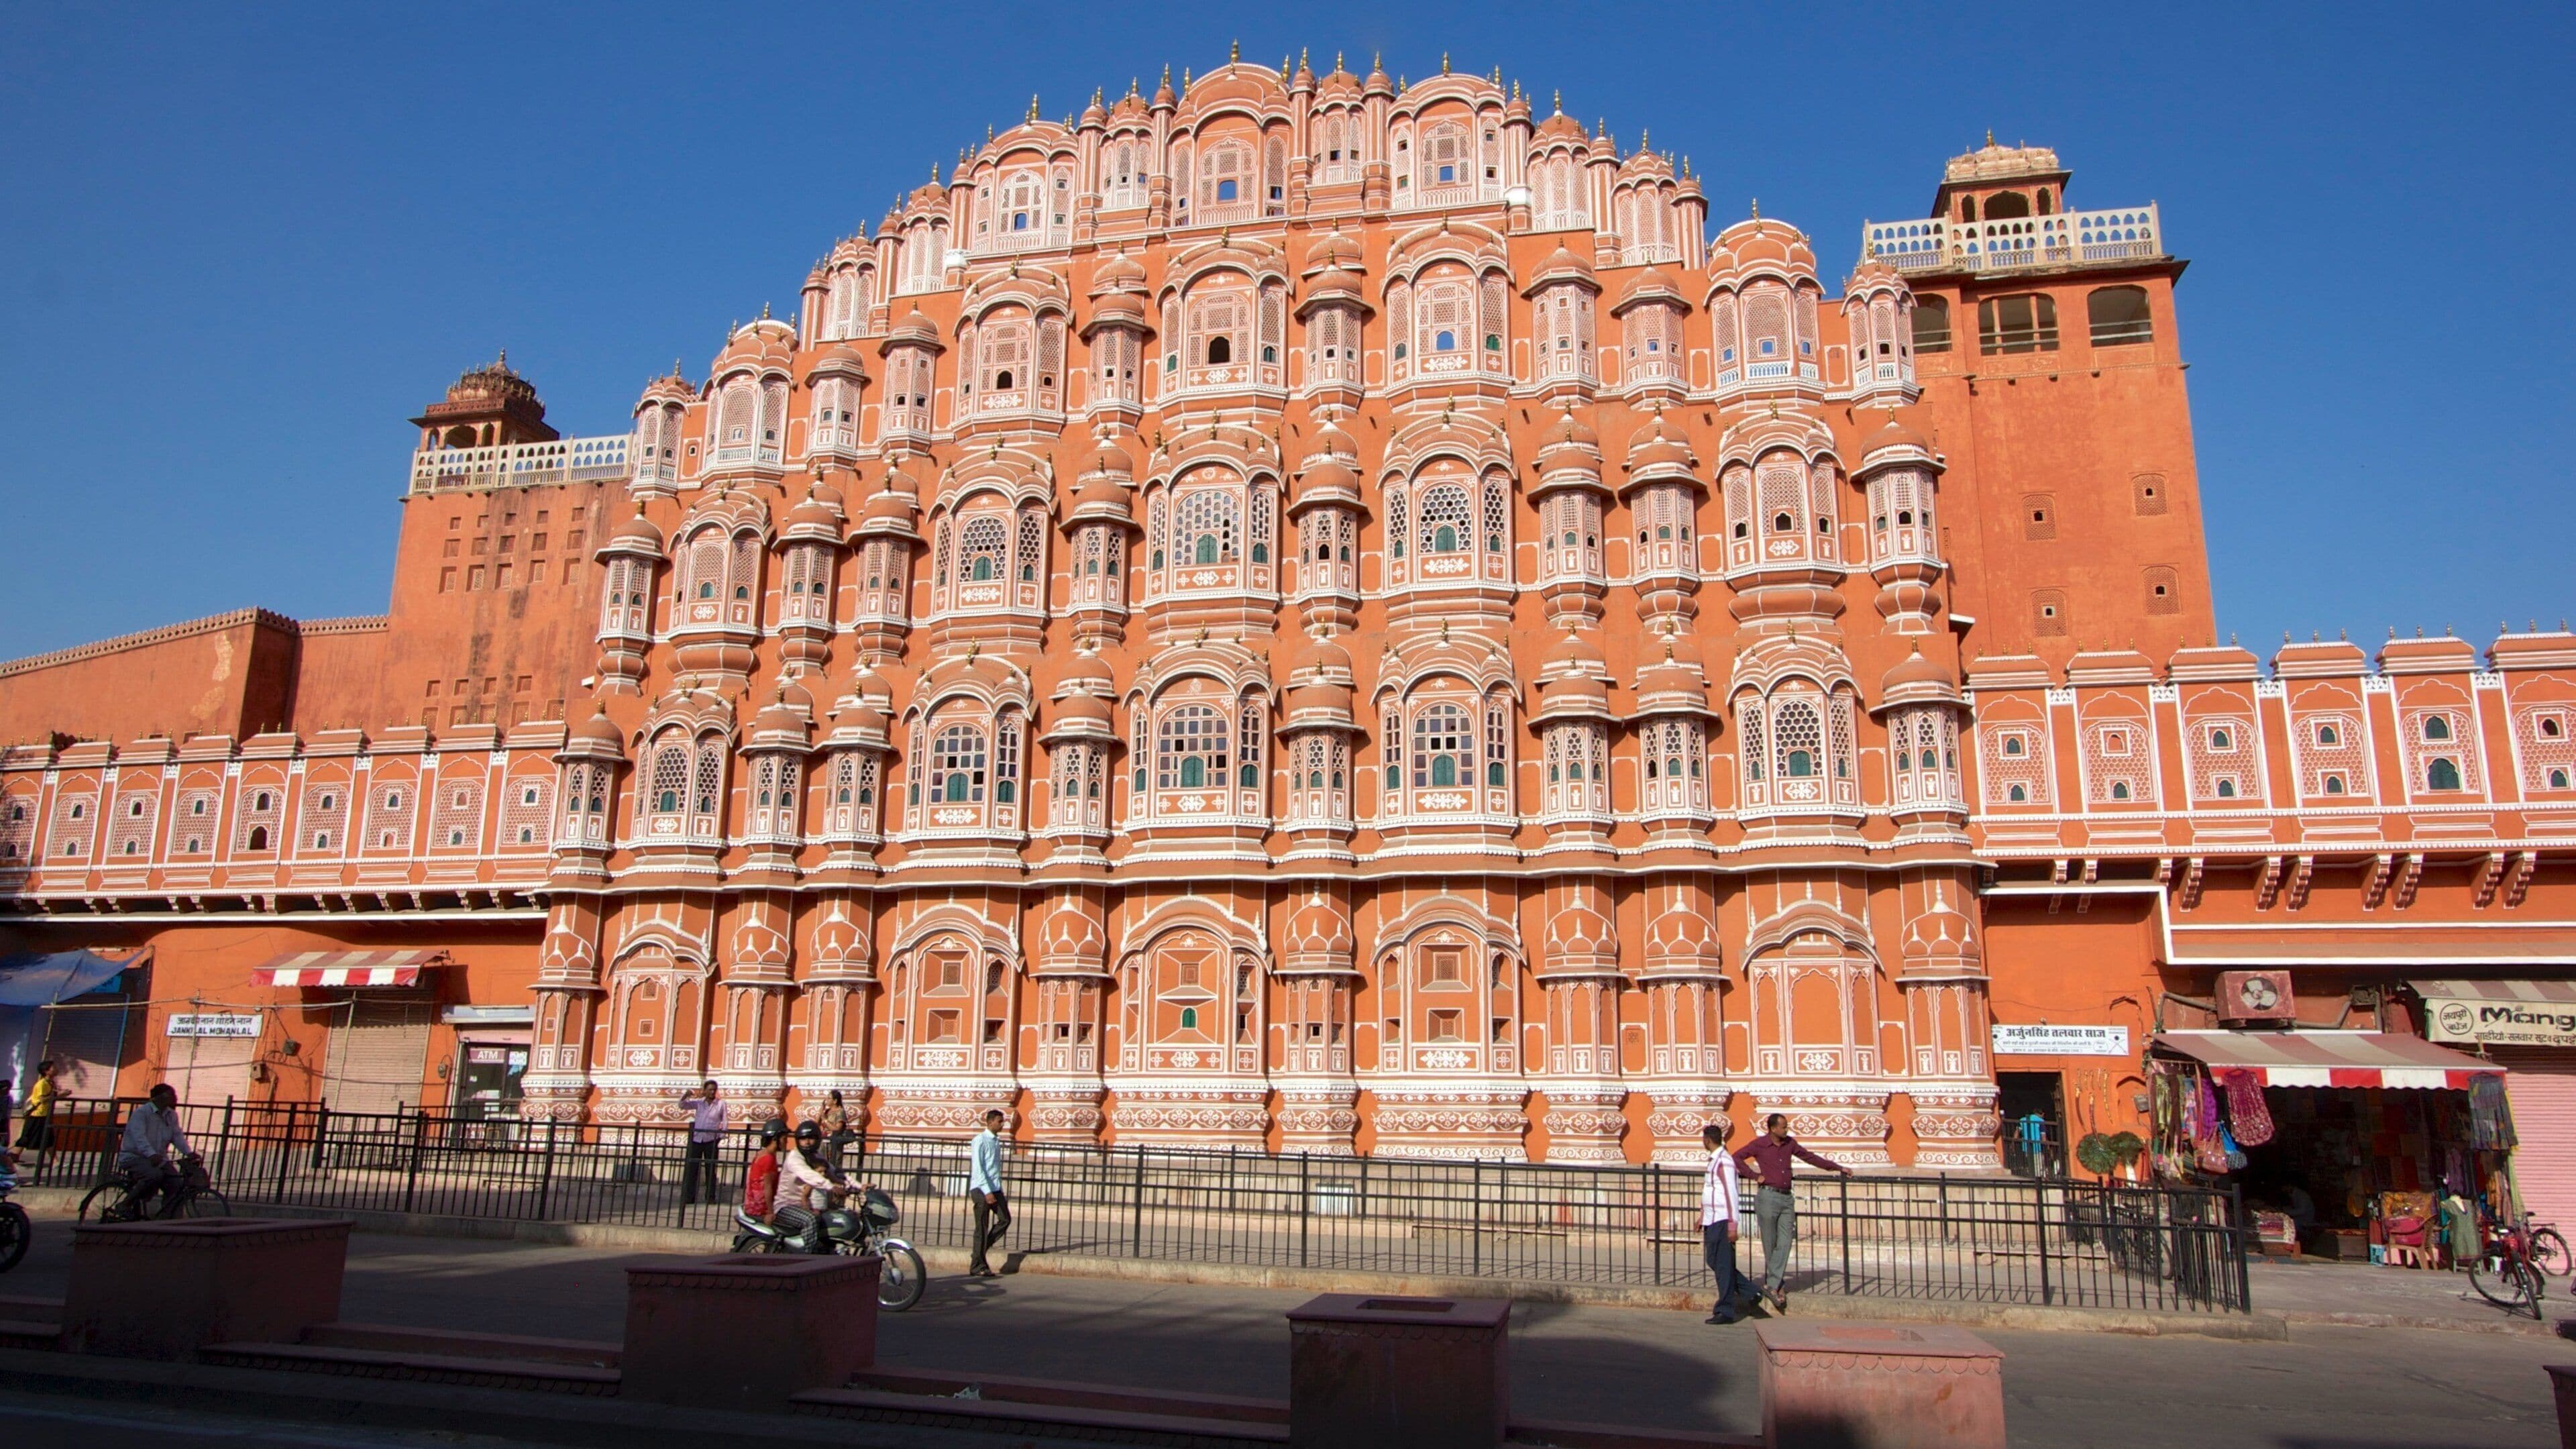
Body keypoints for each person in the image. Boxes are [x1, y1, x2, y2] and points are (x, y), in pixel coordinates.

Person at [1731, 1113, 1851, 1313]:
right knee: (1771, 1242)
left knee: (1786, 1240)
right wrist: (1753, 1175)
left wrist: (1837, 1168)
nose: (1786, 1130)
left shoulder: (1790, 1144)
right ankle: (1776, 1285)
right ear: (1772, 1129)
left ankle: (1773, 1283)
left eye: (1786, 1127)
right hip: (1768, 1196)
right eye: (1783, 1127)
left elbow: (1810, 1157)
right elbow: (1737, 1157)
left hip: (1786, 1197)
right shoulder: (1760, 1144)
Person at [115, 1083, 196, 1218]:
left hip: (159, 1158)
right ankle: (125, 1204)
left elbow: (177, 1136)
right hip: (135, 1156)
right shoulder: (142, 1113)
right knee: (154, 1175)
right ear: (158, 1098)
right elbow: (139, 1136)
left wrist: (188, 1152)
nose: (174, 1099)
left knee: (176, 1183)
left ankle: (168, 1217)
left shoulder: (171, 1115)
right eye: (171, 1096)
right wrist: (151, 1153)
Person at [1699, 1123, 1746, 1324]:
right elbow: (1711, 1191)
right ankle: (1751, 1292)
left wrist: (1732, 1225)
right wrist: (1702, 1216)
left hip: (1722, 1219)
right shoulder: (1714, 1161)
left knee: (1723, 1265)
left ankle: (1725, 1310)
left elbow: (1731, 1194)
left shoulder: (1724, 1162)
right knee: (1714, 1261)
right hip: (1711, 1218)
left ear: (1707, 1140)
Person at [776, 1120, 843, 1252]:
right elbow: (810, 1176)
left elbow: (834, 1172)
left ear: (817, 1140)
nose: (807, 1142)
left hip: (805, 1206)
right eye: (803, 1139)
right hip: (787, 1206)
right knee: (810, 1220)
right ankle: (808, 1257)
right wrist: (832, 1186)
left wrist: (857, 1186)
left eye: (811, 1138)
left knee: (838, 1216)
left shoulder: (816, 1157)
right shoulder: (794, 1159)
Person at [967, 1108, 1010, 1277]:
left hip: (995, 1188)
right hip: (981, 1189)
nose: (1002, 1124)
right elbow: (979, 1168)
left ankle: (979, 1253)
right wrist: (987, 1191)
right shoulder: (980, 1140)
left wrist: (996, 1188)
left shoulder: (995, 1141)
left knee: (1005, 1219)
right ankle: (977, 1266)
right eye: (999, 1121)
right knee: (982, 1228)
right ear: (990, 1122)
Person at [679, 1079, 725, 1207]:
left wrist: (721, 1136)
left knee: (710, 1169)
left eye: (714, 1090)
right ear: (705, 1091)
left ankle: (710, 1197)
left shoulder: (720, 1104)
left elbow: (724, 1120)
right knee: (692, 1168)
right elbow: (682, 1105)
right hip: (697, 1139)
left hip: (711, 1139)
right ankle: (690, 1197)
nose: (712, 1092)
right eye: (710, 1090)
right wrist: (686, 1095)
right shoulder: (700, 1103)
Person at [743, 1118, 789, 1223]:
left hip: (754, 1205)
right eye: (784, 1138)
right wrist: (770, 1212)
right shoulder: (768, 1159)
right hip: (761, 1209)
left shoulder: (761, 1154)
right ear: (775, 1139)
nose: (786, 1141)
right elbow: (767, 1187)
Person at [16, 1059, 57, 1161]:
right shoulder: (42, 1084)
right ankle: (14, 1155)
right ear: (46, 1071)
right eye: (53, 1068)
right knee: (28, 1136)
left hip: (44, 1113)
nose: (56, 1069)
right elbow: (42, 1099)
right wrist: (59, 1095)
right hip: (37, 1114)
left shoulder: (50, 1083)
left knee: (47, 1137)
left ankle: (55, 1160)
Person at [818, 1089, 851, 1168]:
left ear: (835, 1101)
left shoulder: (840, 1112)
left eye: (829, 1098)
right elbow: (816, 1124)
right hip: (823, 1142)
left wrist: (825, 1120)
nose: (826, 1100)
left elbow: (837, 1129)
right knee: (821, 1165)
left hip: (834, 1143)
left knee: (833, 1166)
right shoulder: (827, 1111)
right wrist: (821, 1112)